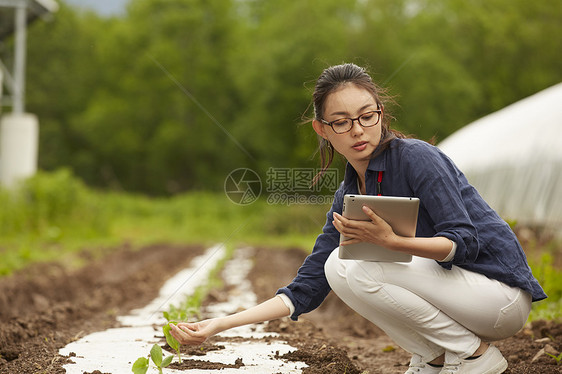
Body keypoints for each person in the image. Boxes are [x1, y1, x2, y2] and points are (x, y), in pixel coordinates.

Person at [170, 63, 546, 374]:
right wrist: (219, 325)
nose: (357, 130)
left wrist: (394, 243)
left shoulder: (416, 158)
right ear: (322, 129)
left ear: (381, 113)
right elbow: (308, 287)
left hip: (498, 296)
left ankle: (473, 356)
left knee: (357, 262)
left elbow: (464, 242)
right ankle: (433, 360)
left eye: (367, 116)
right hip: (459, 297)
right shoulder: (350, 195)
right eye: (342, 121)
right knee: (336, 266)